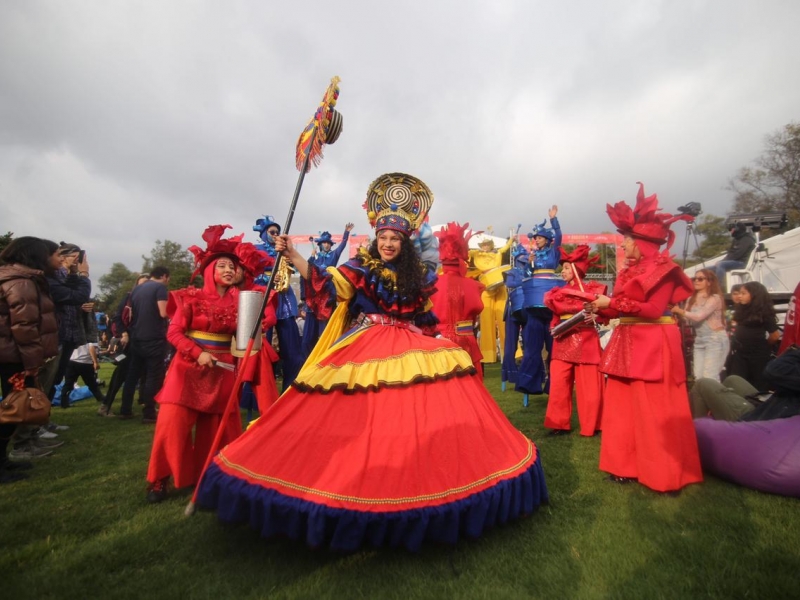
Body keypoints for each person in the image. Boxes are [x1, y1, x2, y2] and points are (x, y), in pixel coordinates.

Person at [197, 172, 548, 552]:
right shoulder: (360, 270)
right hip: (367, 346)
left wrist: (441, 343)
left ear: (405, 243)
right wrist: (293, 254)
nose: (387, 243)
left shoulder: (417, 279)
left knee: (410, 417)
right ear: (375, 239)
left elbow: (423, 320)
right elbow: (327, 282)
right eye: (382, 238)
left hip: (410, 345)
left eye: (395, 238)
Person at [145, 225, 274, 503]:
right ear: (210, 270)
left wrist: (258, 319)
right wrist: (197, 352)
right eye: (223, 265)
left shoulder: (242, 301)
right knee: (172, 426)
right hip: (187, 369)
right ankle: (159, 480)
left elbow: (256, 328)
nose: (229, 270)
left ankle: (213, 474)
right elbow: (173, 333)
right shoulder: (189, 297)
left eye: (232, 267)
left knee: (219, 430)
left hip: (223, 370)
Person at [589, 182, 703, 494]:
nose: (622, 245)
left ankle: (664, 473)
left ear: (642, 242)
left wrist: (610, 304)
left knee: (655, 410)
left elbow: (653, 310)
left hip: (652, 343)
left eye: (626, 239)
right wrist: (600, 310)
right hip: (629, 340)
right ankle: (623, 466)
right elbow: (623, 310)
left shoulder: (665, 270)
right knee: (622, 405)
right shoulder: (628, 271)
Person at [0, 237, 60, 482]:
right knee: (15, 409)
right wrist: (32, 364)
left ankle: (3, 461)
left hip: (10, 355)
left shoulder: (12, 277)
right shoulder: (22, 283)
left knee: (13, 407)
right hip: (15, 358)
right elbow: (24, 327)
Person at [543, 245, 605, 436]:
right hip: (563, 341)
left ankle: (592, 425)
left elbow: (606, 313)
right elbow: (554, 317)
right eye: (562, 269)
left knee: (590, 388)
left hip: (586, 340)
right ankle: (559, 424)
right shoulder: (556, 293)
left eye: (567, 268)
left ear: (577, 270)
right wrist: (553, 327)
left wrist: (597, 316)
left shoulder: (594, 290)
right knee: (559, 384)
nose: (563, 272)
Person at [253, 215, 304, 391]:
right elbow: (248, 272)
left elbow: (297, 268)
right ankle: (259, 393)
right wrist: (264, 278)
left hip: (284, 297)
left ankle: (290, 389)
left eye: (277, 232)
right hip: (263, 297)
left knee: (292, 350)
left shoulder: (284, 250)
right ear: (263, 234)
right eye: (272, 232)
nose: (275, 234)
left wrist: (291, 259)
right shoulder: (255, 249)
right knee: (261, 349)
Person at [516, 206, 563, 395]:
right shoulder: (533, 256)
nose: (538, 240)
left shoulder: (554, 253)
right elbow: (526, 275)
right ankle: (530, 384)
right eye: (536, 238)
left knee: (554, 347)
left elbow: (559, 236)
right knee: (532, 345)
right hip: (535, 305)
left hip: (551, 305)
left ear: (548, 240)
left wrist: (554, 220)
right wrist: (529, 263)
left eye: (541, 238)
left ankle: (554, 385)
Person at [430, 222, 485, 376]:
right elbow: (475, 315)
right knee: (471, 391)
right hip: (466, 343)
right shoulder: (474, 286)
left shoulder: (430, 284)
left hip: (438, 343)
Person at [119, 267, 170, 422]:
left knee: (132, 375)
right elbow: (163, 313)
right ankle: (149, 412)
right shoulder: (160, 288)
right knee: (153, 376)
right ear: (164, 276)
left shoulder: (137, 289)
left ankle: (125, 409)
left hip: (137, 336)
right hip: (154, 337)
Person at [99, 274, 150, 416]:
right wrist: (124, 334)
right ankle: (105, 405)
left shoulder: (150, 300)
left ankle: (140, 403)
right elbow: (117, 317)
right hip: (129, 342)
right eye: (142, 284)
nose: (145, 286)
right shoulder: (129, 298)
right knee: (121, 374)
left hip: (142, 342)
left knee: (142, 373)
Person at [301, 223, 354, 355]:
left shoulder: (333, 256)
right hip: (313, 299)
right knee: (308, 337)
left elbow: (341, 247)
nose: (326, 245)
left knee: (324, 334)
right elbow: (306, 274)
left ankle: (324, 360)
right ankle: (306, 361)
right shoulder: (314, 258)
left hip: (326, 297)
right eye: (324, 243)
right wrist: (311, 258)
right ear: (320, 244)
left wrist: (346, 233)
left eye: (328, 243)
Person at [671, 268, 729, 381]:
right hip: (699, 339)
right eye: (694, 279)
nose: (696, 281)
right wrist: (676, 313)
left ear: (709, 282)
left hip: (715, 338)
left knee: (710, 377)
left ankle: (714, 398)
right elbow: (688, 320)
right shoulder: (690, 299)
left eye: (700, 279)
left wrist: (680, 311)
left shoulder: (715, 298)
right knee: (698, 377)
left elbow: (699, 316)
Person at [725, 281, 780, 391]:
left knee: (758, 384)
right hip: (740, 353)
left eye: (743, 293)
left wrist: (763, 345)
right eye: (739, 293)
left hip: (758, 354)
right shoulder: (741, 310)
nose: (740, 296)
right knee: (736, 381)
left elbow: (775, 335)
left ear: (754, 295)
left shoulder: (764, 313)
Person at [468, 234, 513, 363]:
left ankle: (509, 352)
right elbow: (465, 252)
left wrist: (511, 240)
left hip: (498, 282)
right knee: (486, 317)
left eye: (487, 244)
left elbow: (505, 248)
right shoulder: (476, 253)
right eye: (484, 245)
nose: (486, 247)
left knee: (503, 316)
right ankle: (488, 355)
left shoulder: (496, 253)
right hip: (486, 284)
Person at [715, 223, 755, 290]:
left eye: (732, 229)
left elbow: (738, 254)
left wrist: (722, 262)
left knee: (721, 264)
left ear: (737, 229)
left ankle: (719, 287)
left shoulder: (747, 239)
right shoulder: (736, 239)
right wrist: (721, 261)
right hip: (733, 262)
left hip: (742, 263)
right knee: (707, 269)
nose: (730, 231)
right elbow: (730, 253)